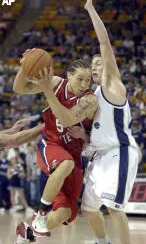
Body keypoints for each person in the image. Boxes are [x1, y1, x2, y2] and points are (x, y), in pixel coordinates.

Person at [69, 0, 138, 244]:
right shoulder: (93, 96)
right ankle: (103, 242)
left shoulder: (112, 86)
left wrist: (90, 9)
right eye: (93, 65)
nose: (96, 67)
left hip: (118, 153)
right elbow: (100, 128)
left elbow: (104, 42)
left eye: (100, 63)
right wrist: (84, 137)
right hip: (98, 156)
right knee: (88, 209)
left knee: (115, 208)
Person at [13, 53, 98, 243]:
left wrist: (47, 92)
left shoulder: (90, 100)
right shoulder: (56, 83)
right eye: (80, 79)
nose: (85, 84)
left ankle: (25, 233)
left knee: (64, 213)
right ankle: (40, 214)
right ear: (69, 76)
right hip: (51, 145)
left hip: (74, 157)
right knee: (65, 163)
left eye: (89, 80)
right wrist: (24, 67)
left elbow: (67, 119)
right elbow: (19, 88)